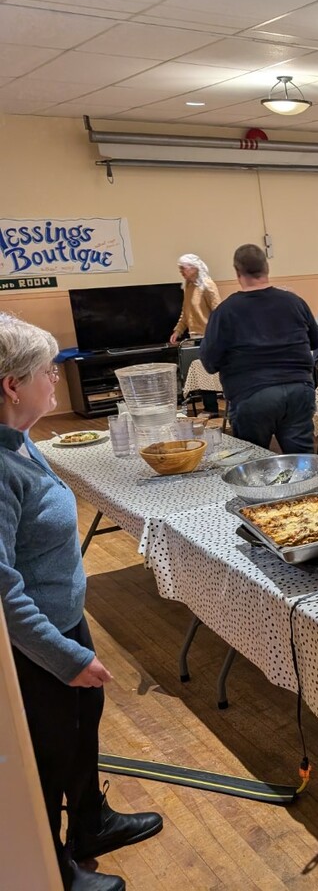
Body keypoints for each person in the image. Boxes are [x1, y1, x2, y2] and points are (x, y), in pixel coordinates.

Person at [1, 313, 163, 891]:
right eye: (47, 371)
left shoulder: (18, 441)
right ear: (11, 386)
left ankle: (90, 824)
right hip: (36, 642)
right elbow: (3, 590)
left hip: (63, 621)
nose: (55, 380)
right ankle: (55, 870)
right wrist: (64, 658)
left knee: (81, 725)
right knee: (46, 753)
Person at [201, 244, 318, 454]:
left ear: (237, 272)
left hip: (252, 394)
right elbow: (316, 340)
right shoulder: (294, 302)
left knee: (254, 466)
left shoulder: (226, 311)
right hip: (298, 390)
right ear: (267, 268)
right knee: (304, 464)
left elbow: (209, 362)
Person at [169, 253, 222, 414]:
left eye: (183, 269)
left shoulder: (207, 285)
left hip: (209, 336)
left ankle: (212, 408)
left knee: (208, 372)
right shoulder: (188, 287)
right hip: (195, 337)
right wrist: (178, 331)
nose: (181, 272)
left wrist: (216, 334)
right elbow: (185, 314)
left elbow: (218, 311)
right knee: (201, 372)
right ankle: (209, 406)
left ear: (194, 268)